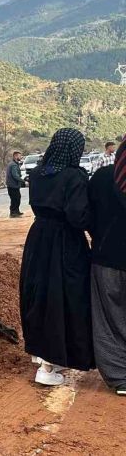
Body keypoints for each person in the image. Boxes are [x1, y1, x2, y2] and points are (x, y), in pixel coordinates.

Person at [20, 128, 94, 386]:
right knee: (65, 296)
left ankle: (45, 355)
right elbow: (78, 215)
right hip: (65, 241)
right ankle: (49, 364)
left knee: (40, 294)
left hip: (38, 238)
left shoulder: (37, 173)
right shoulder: (74, 176)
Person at [88, 139, 126, 395]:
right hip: (107, 256)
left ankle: (120, 377)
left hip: (107, 259)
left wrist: (100, 237)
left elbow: (86, 215)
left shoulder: (102, 178)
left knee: (109, 317)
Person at [6, 151, 26, 217]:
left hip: (12, 185)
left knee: (17, 198)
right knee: (15, 199)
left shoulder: (13, 164)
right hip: (13, 185)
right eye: (19, 156)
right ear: (15, 156)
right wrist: (23, 181)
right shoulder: (13, 165)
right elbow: (15, 175)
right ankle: (13, 213)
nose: (21, 157)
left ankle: (16, 211)